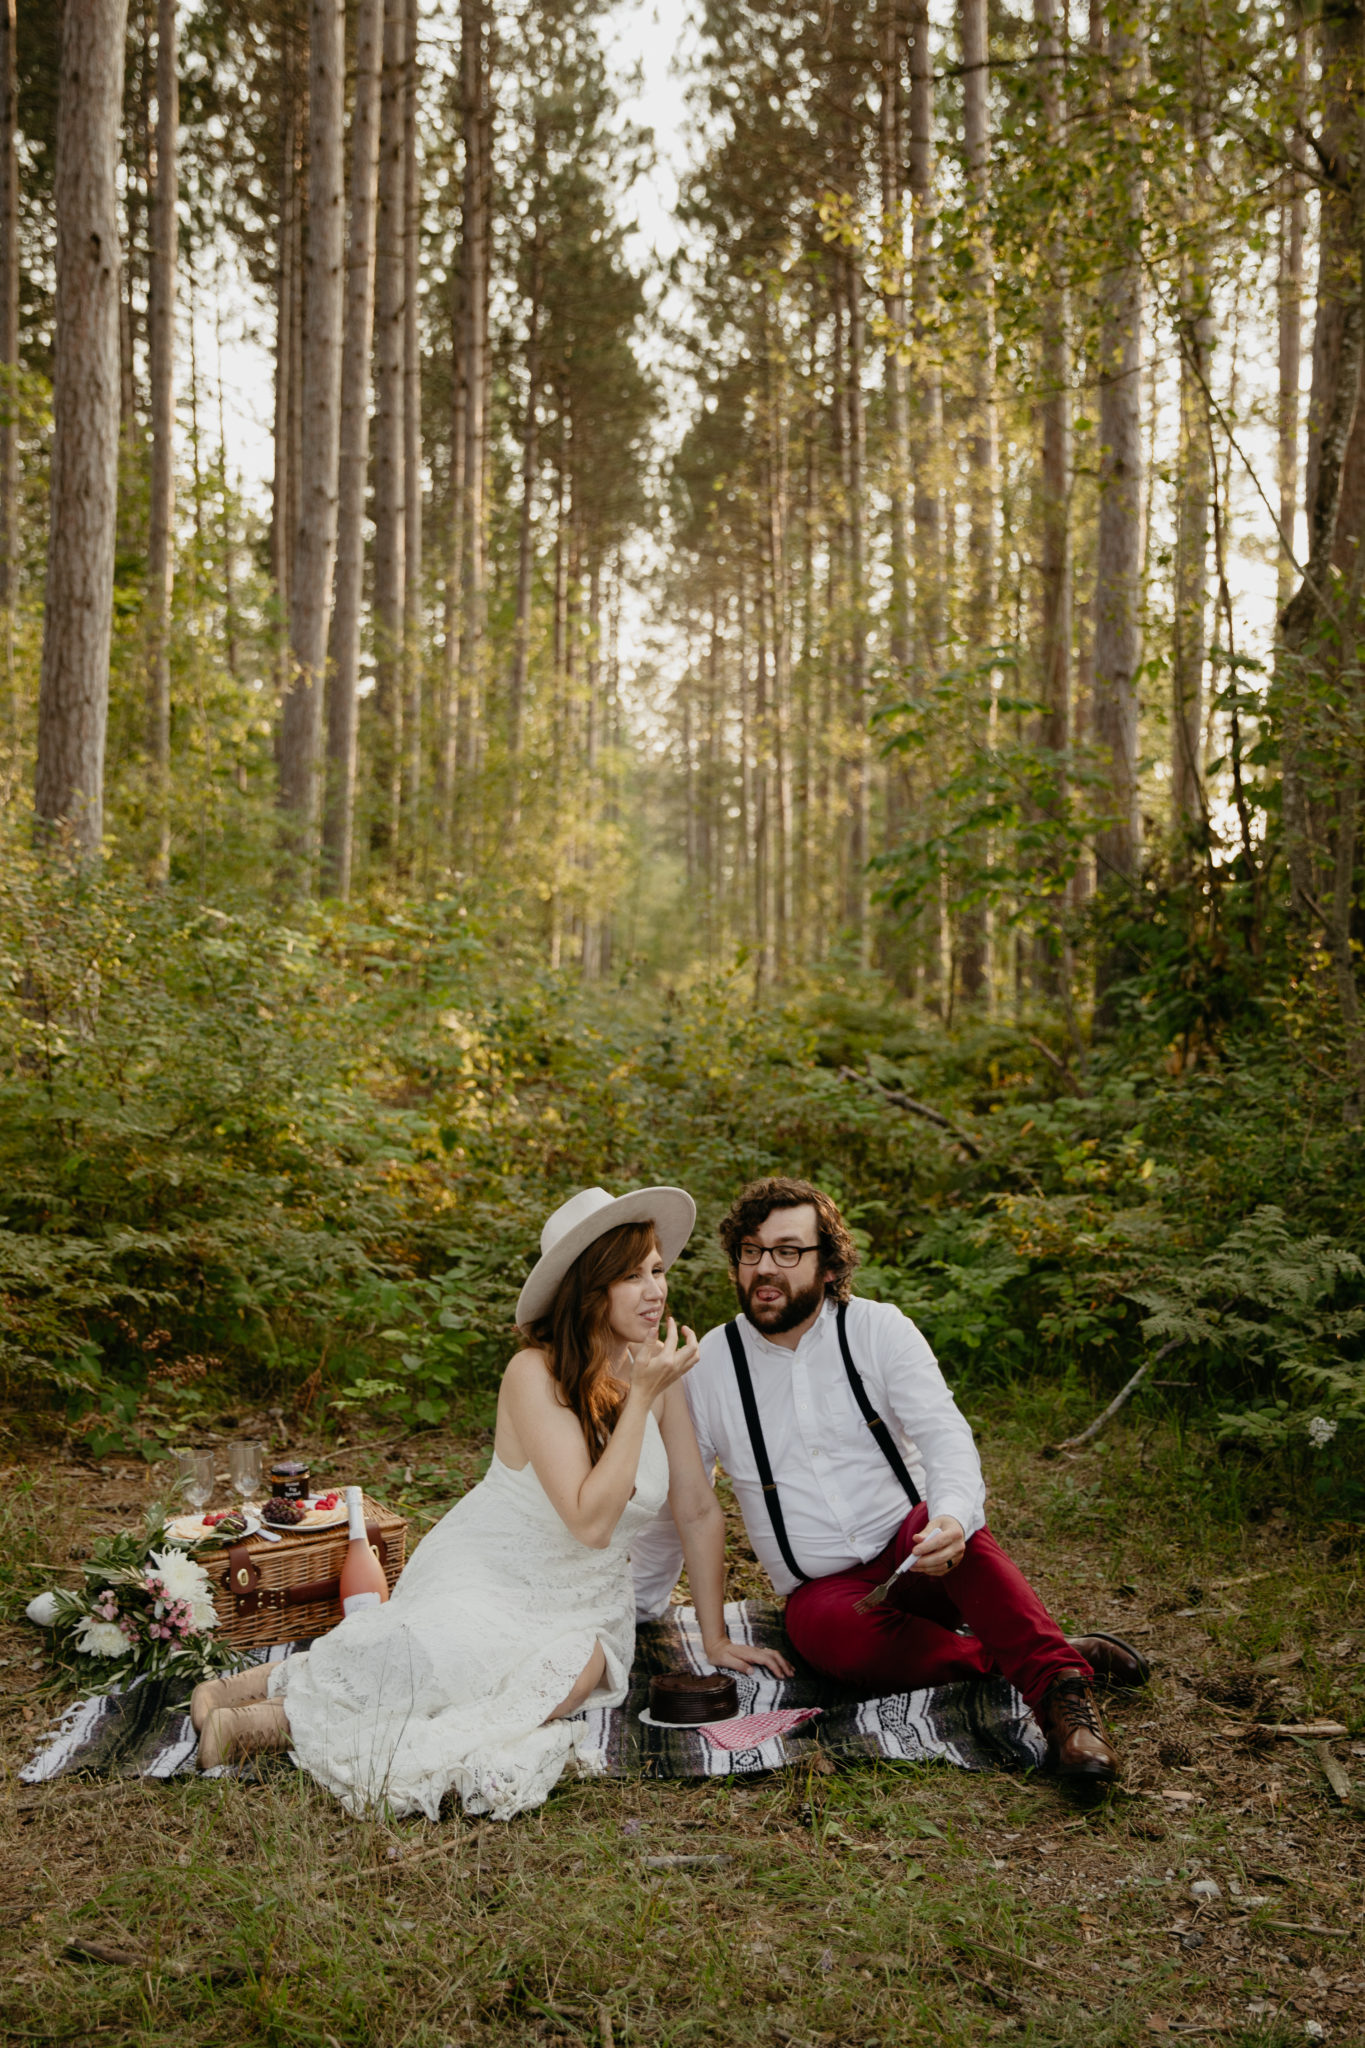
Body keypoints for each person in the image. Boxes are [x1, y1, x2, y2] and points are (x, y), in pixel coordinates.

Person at [190, 1184, 789, 1819]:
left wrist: (717, 1638)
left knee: (557, 1685)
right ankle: (263, 1712)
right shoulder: (535, 1373)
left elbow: (696, 1508)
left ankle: (279, 1699)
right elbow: (589, 1519)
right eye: (632, 1276)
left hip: (584, 1599)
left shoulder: (654, 1371)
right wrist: (640, 1398)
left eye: (658, 1270)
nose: (655, 1291)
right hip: (491, 1565)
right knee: (452, 1655)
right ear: (590, 1289)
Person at [628, 1177, 1148, 1783]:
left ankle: (1065, 1704)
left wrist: (951, 1517)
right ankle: (1037, 1654)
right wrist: (643, 1605)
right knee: (832, 1641)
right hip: (824, 1592)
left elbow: (945, 1436)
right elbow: (686, 1501)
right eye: (751, 1250)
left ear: (828, 1266)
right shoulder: (711, 1365)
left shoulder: (879, 1330)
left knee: (956, 1528)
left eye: (788, 1251)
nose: (765, 1268)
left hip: (917, 1552)